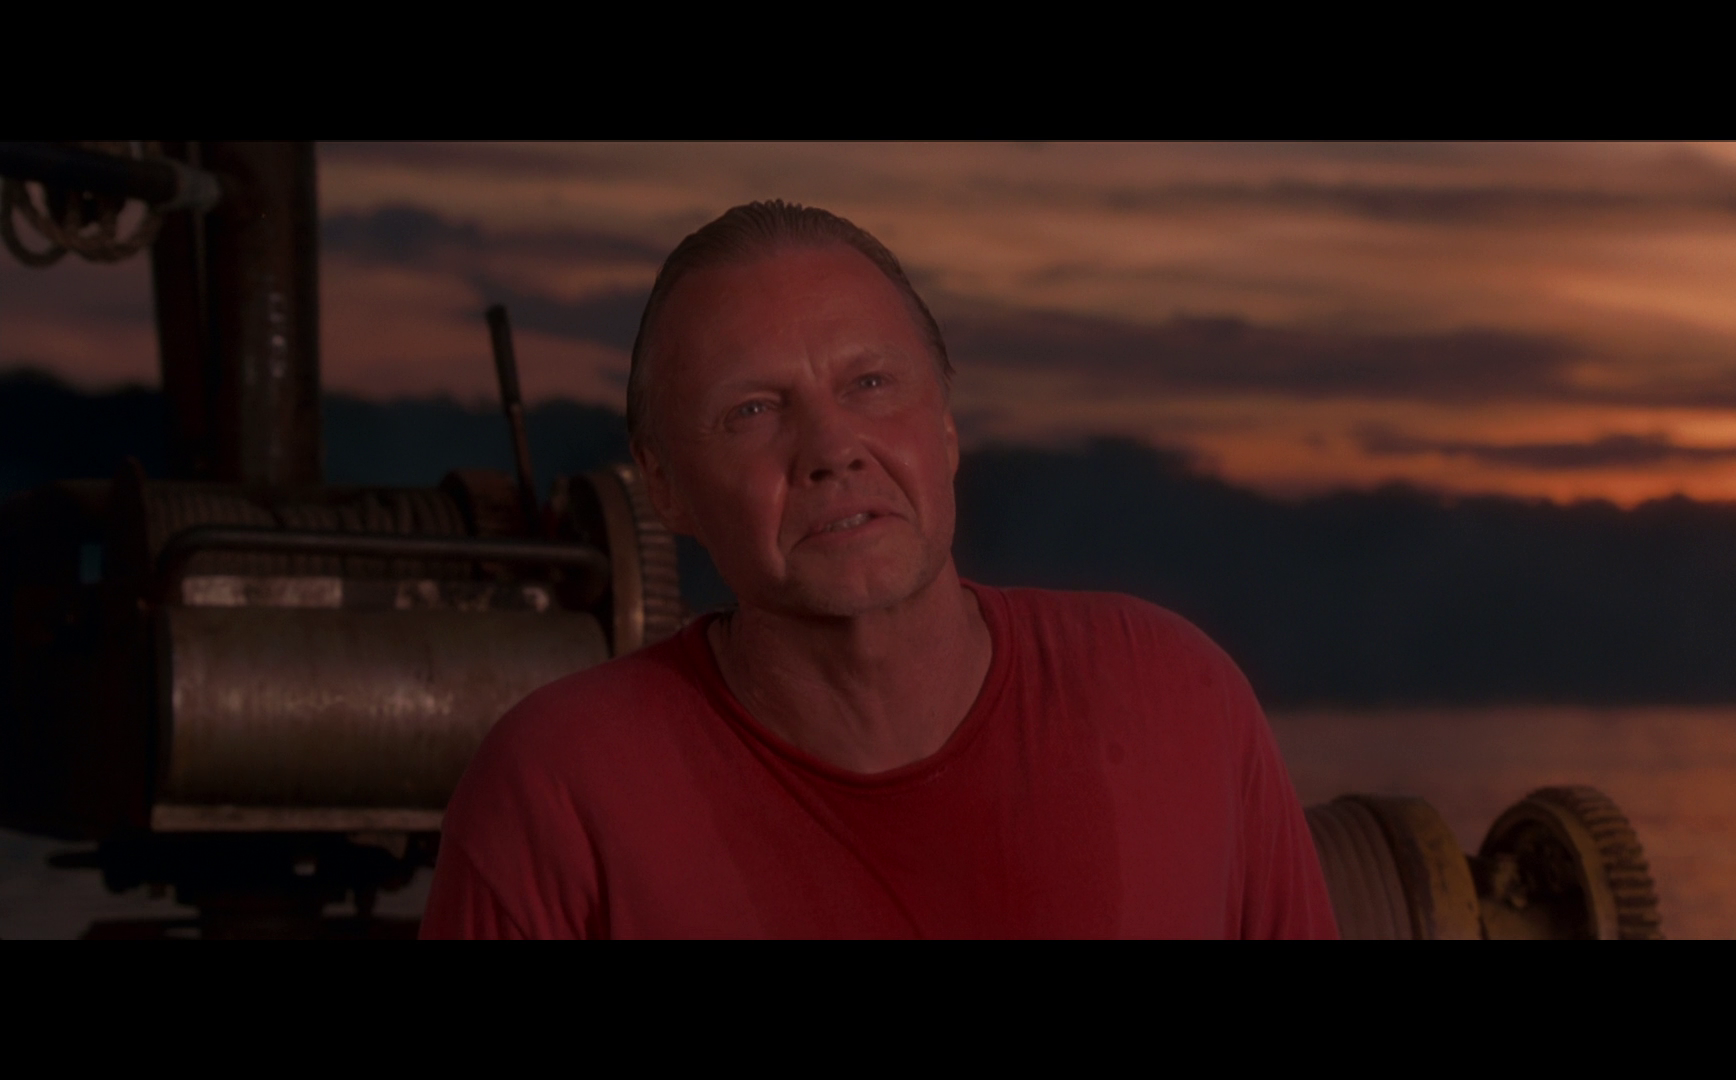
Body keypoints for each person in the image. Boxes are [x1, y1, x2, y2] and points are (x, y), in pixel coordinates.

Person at [420, 201, 1337, 939]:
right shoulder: (559, 790)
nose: (831, 449)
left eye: (869, 384)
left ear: (946, 425)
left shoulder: (1177, 698)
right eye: (752, 410)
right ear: (664, 486)